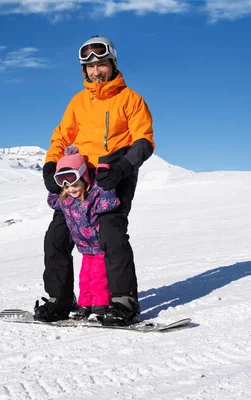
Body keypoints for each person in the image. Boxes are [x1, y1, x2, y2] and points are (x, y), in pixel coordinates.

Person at [34, 35, 155, 326]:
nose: (96, 71)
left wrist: (123, 166)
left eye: (101, 64)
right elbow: (62, 136)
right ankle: (59, 300)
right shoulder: (78, 102)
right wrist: (51, 166)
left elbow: (144, 140)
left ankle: (123, 302)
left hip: (113, 178)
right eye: (90, 67)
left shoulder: (131, 100)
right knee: (57, 238)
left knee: (111, 238)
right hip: (77, 181)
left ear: (112, 64)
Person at [39, 144, 120, 320]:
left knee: (99, 279)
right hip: (84, 249)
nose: (71, 190)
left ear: (84, 178)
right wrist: (52, 182)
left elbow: (110, 203)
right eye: (66, 187)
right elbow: (53, 200)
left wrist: (106, 183)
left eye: (75, 185)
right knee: (85, 279)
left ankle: (101, 305)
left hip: (98, 247)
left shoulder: (93, 196)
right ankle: (85, 305)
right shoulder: (65, 200)